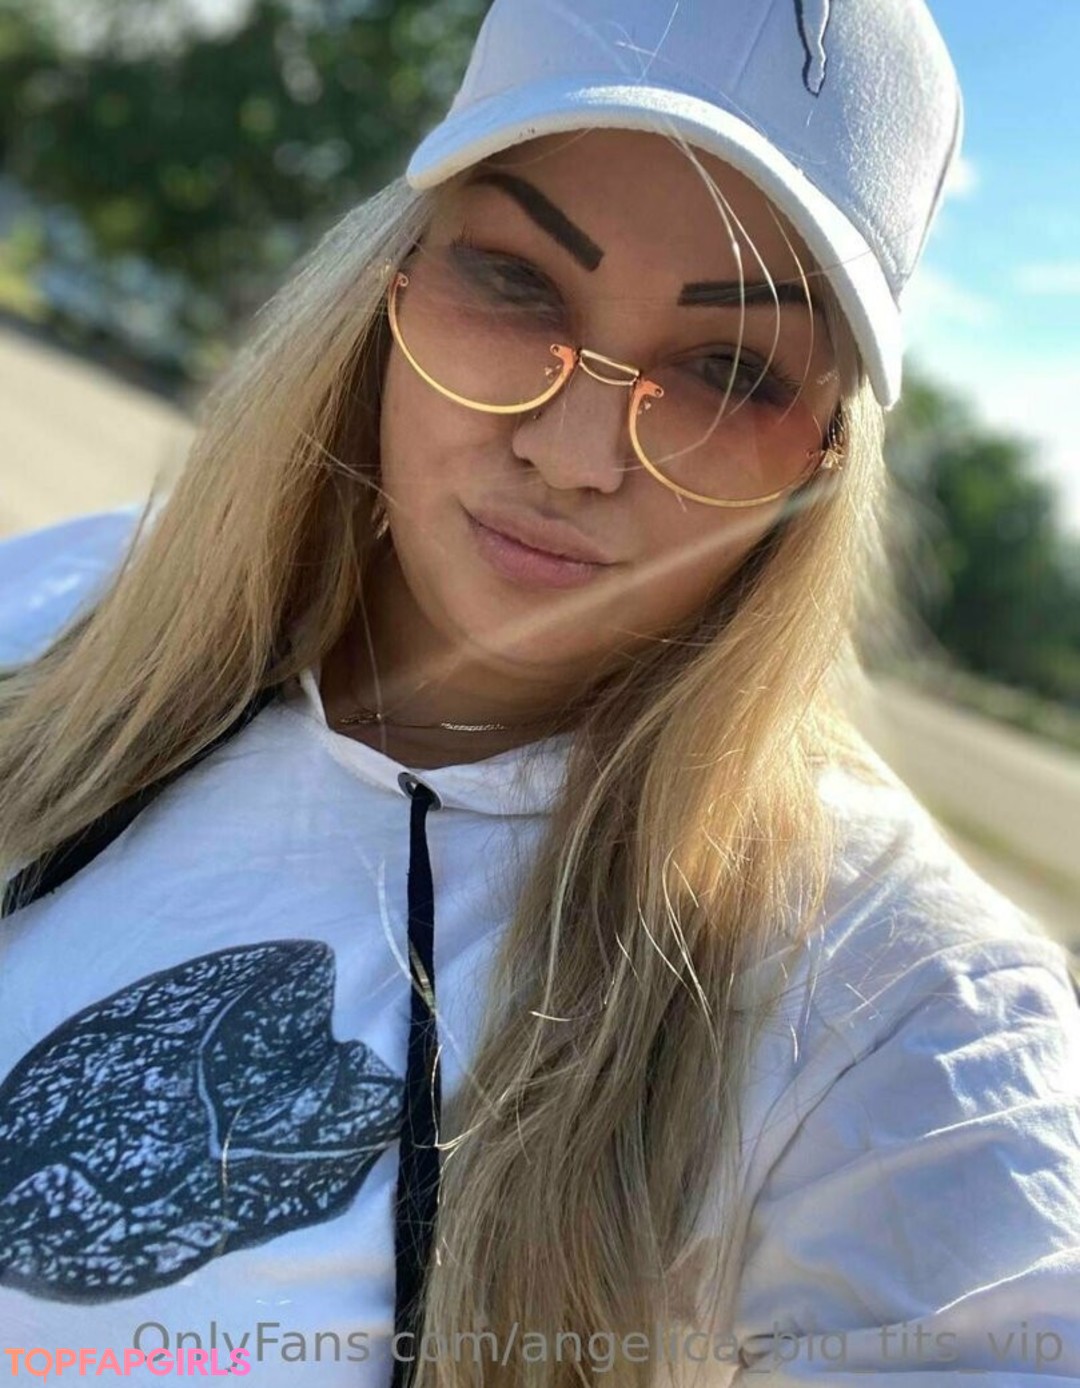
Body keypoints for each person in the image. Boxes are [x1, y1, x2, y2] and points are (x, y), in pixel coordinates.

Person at [0, 0, 1078, 1383]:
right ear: (392, 281)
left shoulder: (888, 1000)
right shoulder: (73, 604)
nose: (575, 453)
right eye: (517, 285)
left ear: (821, 456)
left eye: (729, 372)